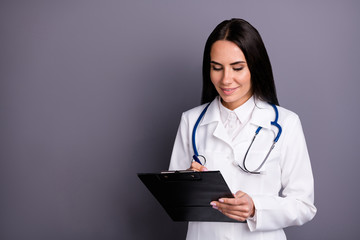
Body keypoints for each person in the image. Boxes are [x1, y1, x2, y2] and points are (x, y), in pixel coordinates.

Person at [169, 18, 316, 240]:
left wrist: (256, 208)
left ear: (255, 67)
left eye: (237, 68)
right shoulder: (191, 121)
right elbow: (175, 200)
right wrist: (189, 183)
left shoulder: (286, 123)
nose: (226, 79)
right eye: (216, 68)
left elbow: (304, 205)